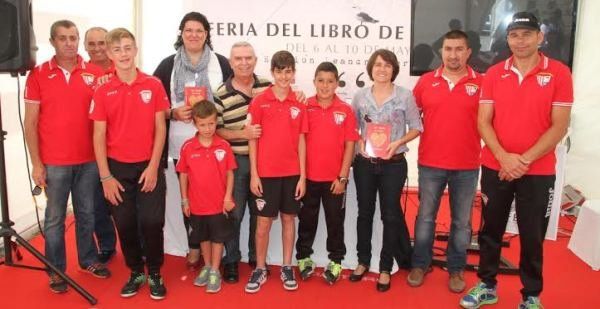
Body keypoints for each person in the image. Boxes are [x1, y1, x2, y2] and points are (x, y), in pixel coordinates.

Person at [460, 12, 573, 309]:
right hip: (497, 166)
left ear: (540, 37)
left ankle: (531, 295)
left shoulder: (559, 73)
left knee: (532, 235)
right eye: (514, 35)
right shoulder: (495, 73)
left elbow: (559, 126)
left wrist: (522, 160)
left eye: (526, 34)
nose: (520, 41)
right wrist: (503, 157)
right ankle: (486, 285)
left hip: (538, 171)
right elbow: (484, 121)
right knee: (490, 230)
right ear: (507, 39)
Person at [24, 19, 111, 294]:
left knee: (87, 213)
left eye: (73, 38)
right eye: (63, 38)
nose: (69, 43)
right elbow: (30, 123)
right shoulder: (38, 74)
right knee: (54, 219)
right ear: (52, 42)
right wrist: (37, 163)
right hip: (54, 162)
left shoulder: (95, 73)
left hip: (88, 161)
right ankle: (56, 269)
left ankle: (88, 260)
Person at [90, 28, 169, 300]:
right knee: (124, 222)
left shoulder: (154, 85)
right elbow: (98, 135)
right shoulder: (102, 89)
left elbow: (161, 129)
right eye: (117, 49)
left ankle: (156, 271)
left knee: (151, 220)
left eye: (127, 48)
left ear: (135, 50)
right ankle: (136, 271)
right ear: (109, 54)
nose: (123, 54)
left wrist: (153, 166)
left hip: (149, 165)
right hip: (116, 170)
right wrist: (105, 177)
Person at [153, 12, 232, 268]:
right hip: (183, 144)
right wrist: (172, 113)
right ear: (181, 34)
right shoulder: (168, 65)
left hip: (217, 142)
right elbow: (153, 106)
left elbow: (237, 95)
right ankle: (195, 245)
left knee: (220, 198)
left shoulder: (221, 64)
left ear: (207, 34)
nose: (194, 35)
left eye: (199, 30)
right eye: (188, 30)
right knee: (192, 198)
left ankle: (220, 248)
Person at [408, 30, 482, 293]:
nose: (453, 54)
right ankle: (420, 263)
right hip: (431, 164)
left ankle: (456, 269)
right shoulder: (426, 82)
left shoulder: (482, 83)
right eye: (448, 49)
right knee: (425, 217)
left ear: (468, 52)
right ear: (441, 51)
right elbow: (409, 117)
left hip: (467, 165)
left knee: (462, 222)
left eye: (459, 49)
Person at [349, 49, 422, 292]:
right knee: (364, 212)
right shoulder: (360, 96)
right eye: (378, 64)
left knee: (390, 215)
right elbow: (352, 128)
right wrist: (359, 140)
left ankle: (384, 267)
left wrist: (397, 143)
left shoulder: (405, 96)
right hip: (365, 164)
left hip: (394, 164)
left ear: (394, 69)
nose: (382, 69)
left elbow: (417, 127)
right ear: (371, 68)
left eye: (387, 65)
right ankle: (362, 261)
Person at [245, 51, 307, 293]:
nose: (284, 76)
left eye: (288, 71)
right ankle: (260, 267)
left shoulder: (299, 103)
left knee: (289, 219)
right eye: (279, 71)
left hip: (292, 174)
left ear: (293, 73)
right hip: (266, 174)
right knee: (262, 223)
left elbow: (302, 141)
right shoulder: (259, 101)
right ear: (272, 72)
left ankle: (287, 265)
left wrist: (302, 175)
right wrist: (254, 174)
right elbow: (253, 140)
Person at [295, 62, 358, 284]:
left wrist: (342, 177)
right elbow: (299, 141)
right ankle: (303, 257)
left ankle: (336, 260)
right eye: (320, 80)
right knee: (306, 221)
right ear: (314, 82)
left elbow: (350, 145)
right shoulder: (305, 106)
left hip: (335, 181)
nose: (325, 85)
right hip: (309, 179)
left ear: (336, 84)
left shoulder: (345, 110)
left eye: (330, 81)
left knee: (335, 222)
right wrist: (301, 176)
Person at [213, 42, 270, 283]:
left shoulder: (268, 86)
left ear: (255, 60)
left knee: (261, 213)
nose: (244, 62)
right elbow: (216, 130)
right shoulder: (220, 92)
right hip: (235, 163)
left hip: (266, 162)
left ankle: (257, 258)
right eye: (238, 59)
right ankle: (232, 260)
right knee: (234, 214)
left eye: (248, 58)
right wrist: (242, 135)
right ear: (230, 62)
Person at [176, 101, 237, 293]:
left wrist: (228, 197)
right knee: (203, 237)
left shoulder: (224, 146)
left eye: (211, 123)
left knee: (217, 238)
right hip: (197, 205)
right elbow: (183, 175)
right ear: (195, 124)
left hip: (219, 205)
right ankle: (208, 265)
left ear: (216, 121)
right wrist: (184, 199)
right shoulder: (187, 147)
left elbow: (230, 173)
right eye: (202, 124)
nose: (207, 128)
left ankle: (215, 270)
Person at [83, 25, 117, 264]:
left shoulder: (124, 69)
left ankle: (139, 246)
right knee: (96, 203)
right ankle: (107, 244)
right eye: (91, 44)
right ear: (85, 47)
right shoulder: (78, 72)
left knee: (128, 203)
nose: (97, 49)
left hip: (121, 149)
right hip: (90, 151)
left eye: (101, 43)